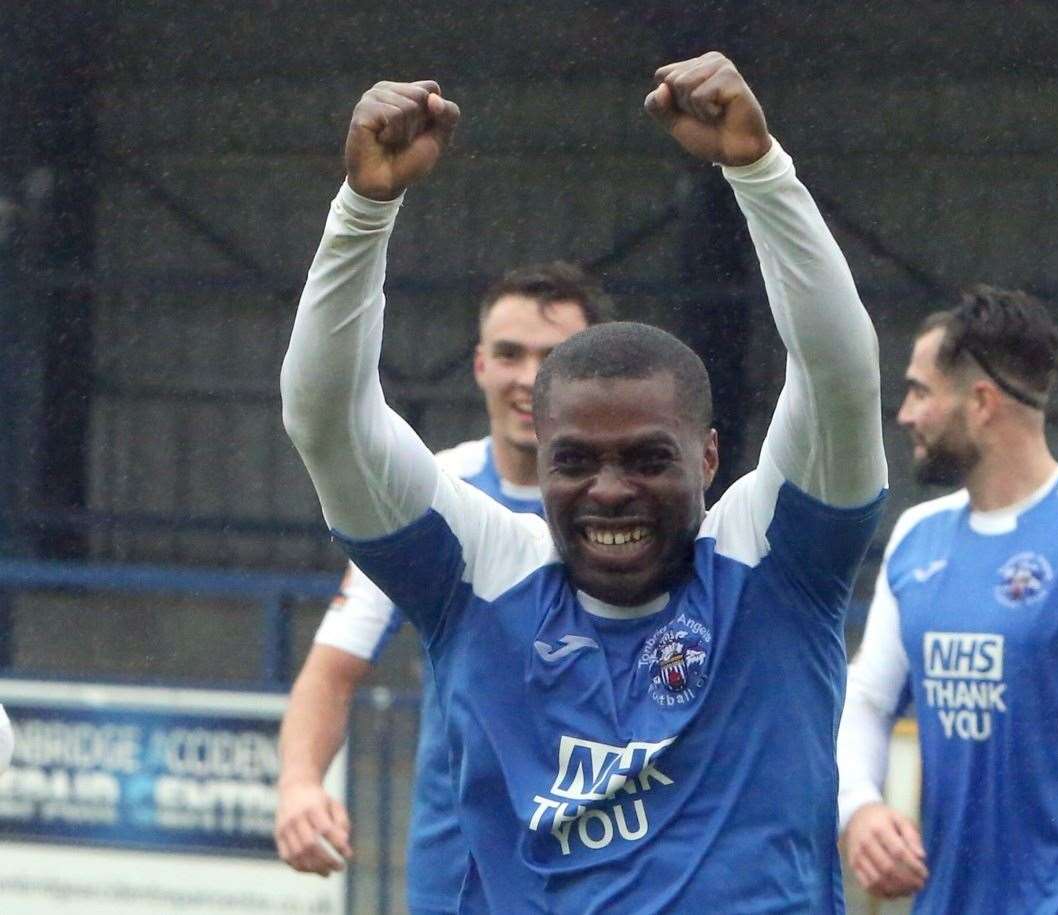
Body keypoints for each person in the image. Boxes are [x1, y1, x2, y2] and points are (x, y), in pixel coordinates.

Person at [281, 51, 887, 912]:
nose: (609, 489)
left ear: (709, 459)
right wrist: (362, 210)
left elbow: (837, 372)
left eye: (647, 459)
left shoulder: (778, 563)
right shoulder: (481, 577)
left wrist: (760, 172)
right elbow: (327, 423)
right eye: (576, 461)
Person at [274, 262, 610, 914]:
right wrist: (298, 783)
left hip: (612, 871)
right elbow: (331, 670)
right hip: (460, 880)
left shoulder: (643, 501)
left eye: (555, 356)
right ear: (481, 365)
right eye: (509, 354)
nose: (529, 377)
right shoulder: (433, 493)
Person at [837, 287, 1058, 914]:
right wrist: (857, 806)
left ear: (980, 402)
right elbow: (864, 698)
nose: (905, 415)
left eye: (920, 391)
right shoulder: (918, 539)